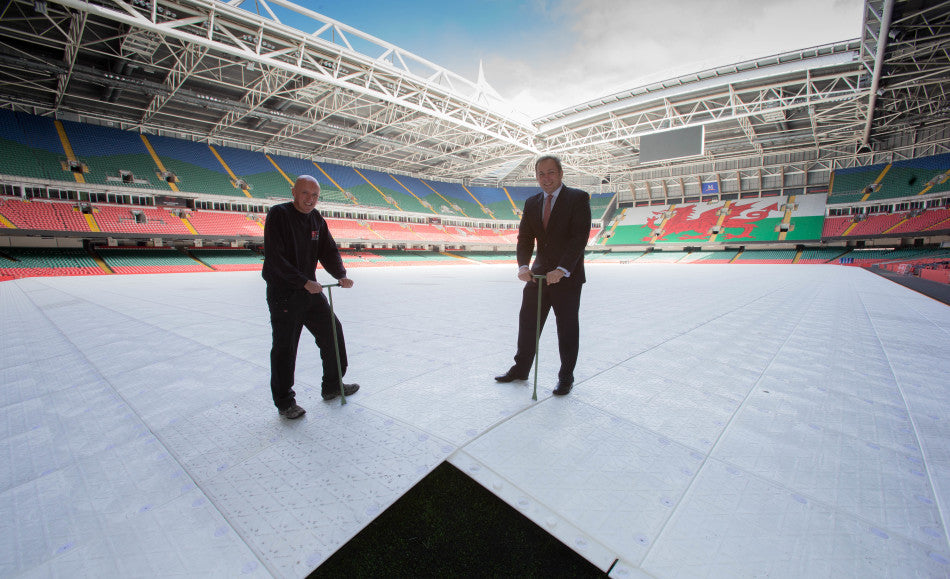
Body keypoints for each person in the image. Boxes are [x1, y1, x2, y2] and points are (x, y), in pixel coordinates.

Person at [262, 175, 359, 419]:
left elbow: (328, 250)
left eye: (315, 195)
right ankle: (285, 402)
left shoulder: (316, 219)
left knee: (332, 333)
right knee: (285, 348)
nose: (310, 199)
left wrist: (340, 274)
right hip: (285, 293)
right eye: (305, 193)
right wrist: (302, 281)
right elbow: (275, 258)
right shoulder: (279, 215)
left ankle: (332, 385)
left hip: (310, 290)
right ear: (293, 191)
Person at [495, 155, 591, 395]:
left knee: (567, 329)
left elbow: (579, 238)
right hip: (537, 275)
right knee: (528, 323)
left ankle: (566, 377)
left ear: (560, 174)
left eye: (550, 173)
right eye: (541, 174)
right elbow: (525, 238)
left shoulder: (578, 198)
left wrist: (562, 269)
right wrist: (523, 266)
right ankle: (521, 369)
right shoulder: (532, 202)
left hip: (567, 277)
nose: (546, 178)